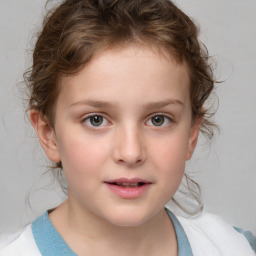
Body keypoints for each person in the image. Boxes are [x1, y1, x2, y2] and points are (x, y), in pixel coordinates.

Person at [0, 0, 255, 255]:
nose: (131, 153)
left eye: (158, 119)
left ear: (191, 134)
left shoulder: (236, 248)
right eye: (96, 120)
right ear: (49, 135)